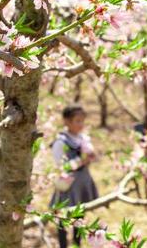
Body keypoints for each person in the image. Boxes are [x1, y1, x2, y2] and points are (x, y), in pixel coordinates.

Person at [50, 104, 99, 248]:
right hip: (68, 185)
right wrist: (81, 161)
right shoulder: (61, 142)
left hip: (81, 183)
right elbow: (61, 166)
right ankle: (63, 245)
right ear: (67, 121)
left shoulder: (82, 138)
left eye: (82, 121)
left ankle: (77, 244)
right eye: (77, 121)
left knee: (79, 216)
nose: (81, 124)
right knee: (63, 218)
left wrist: (90, 157)